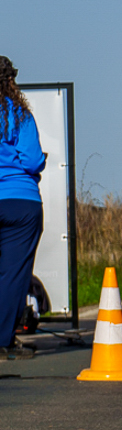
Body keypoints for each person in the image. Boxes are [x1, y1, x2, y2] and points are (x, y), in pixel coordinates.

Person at [0, 56, 45, 360]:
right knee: (13, 274)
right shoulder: (18, 114)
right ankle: (3, 339)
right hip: (20, 202)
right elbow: (32, 160)